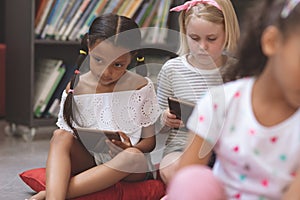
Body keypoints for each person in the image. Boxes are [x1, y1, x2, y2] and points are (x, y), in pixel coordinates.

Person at [165, 0, 300, 199]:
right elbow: (187, 179)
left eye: (211, 38)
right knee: (192, 179)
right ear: (272, 42)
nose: (203, 46)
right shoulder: (222, 102)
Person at [29, 13, 161, 200]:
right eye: (99, 60)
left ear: (132, 57)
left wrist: (128, 147)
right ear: (89, 47)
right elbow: (69, 137)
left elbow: (150, 142)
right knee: (60, 136)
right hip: (88, 160)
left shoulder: (141, 87)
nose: (107, 72)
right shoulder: (76, 87)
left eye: (118, 64)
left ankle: (49, 194)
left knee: (132, 156)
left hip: (129, 166)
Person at [156, 0, 240, 184]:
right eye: (194, 38)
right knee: (172, 169)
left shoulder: (236, 71)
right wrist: (164, 118)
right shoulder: (172, 69)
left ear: (227, 33)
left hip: (223, 150)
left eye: (211, 39)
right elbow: (153, 124)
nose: (202, 46)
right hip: (180, 148)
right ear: (185, 33)